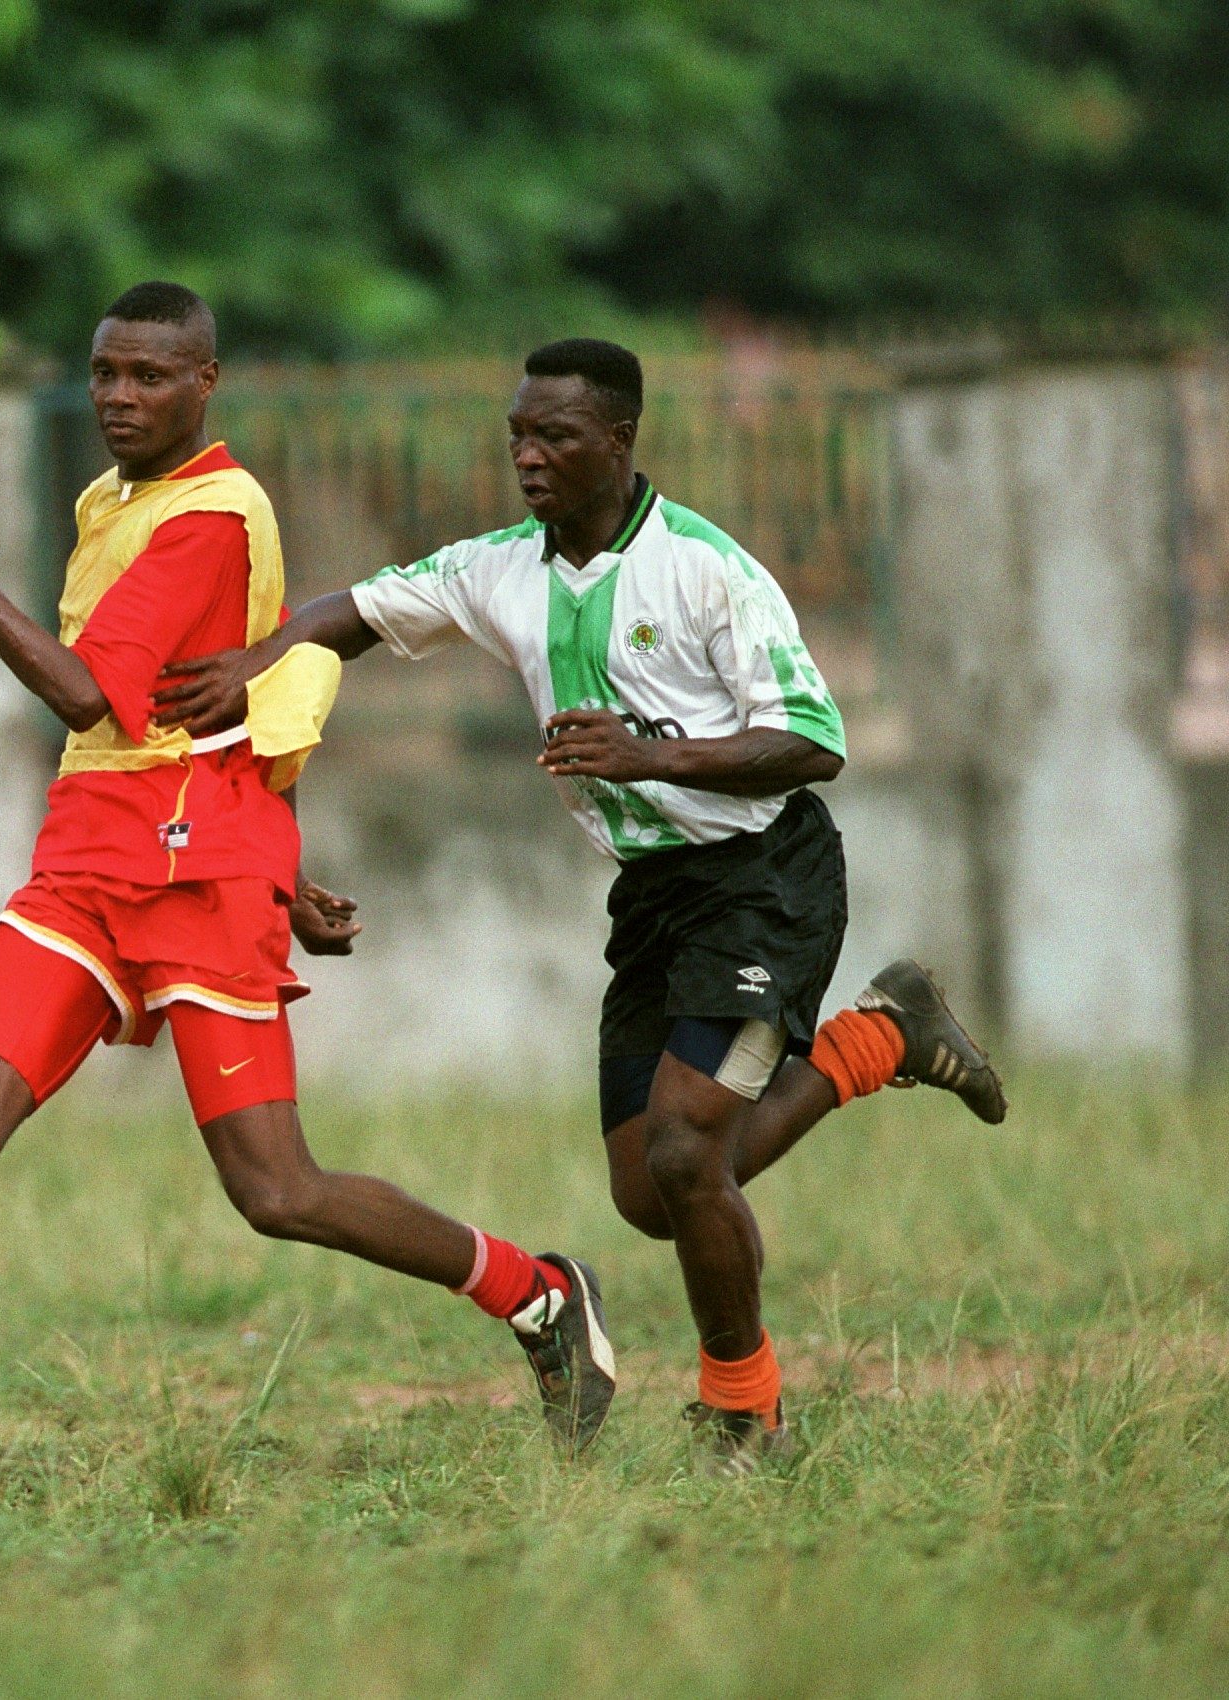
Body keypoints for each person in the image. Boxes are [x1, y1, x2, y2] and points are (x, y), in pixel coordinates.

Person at [0, 284, 615, 1483]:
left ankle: (535, 1293)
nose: (121, 396)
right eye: (107, 372)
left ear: (205, 383)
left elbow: (83, 695)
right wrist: (288, 842)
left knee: (276, 1188)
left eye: (151, 376)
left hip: (194, 877)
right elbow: (231, 699)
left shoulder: (214, 516)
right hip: (85, 860)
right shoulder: (110, 499)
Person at [155, 337, 1006, 1475]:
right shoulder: (502, 565)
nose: (529, 456)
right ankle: (880, 1037)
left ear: (620, 439)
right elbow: (355, 608)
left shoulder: (708, 569)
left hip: (762, 880)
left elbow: (812, 741)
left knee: (687, 1152)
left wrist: (648, 753)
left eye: (555, 435)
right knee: (652, 1192)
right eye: (516, 434)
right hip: (652, 897)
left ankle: (744, 1415)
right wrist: (256, 658)